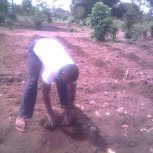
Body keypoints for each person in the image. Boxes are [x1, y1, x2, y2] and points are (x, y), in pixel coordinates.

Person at [15, 36, 79, 132]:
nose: (68, 84)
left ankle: (65, 106)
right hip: (37, 47)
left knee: (62, 81)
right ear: (62, 73)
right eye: (67, 81)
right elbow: (45, 93)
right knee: (32, 81)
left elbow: (72, 92)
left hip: (51, 46)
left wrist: (68, 112)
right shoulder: (51, 71)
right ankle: (22, 115)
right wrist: (50, 113)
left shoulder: (72, 70)